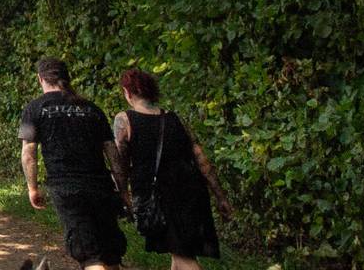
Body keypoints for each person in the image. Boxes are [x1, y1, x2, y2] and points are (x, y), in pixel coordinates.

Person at [114, 68, 229, 268]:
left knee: (185, 259)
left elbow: (120, 164)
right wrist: (220, 197)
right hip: (192, 193)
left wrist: (123, 194)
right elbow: (203, 161)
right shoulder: (175, 118)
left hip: (160, 197)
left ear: (127, 92)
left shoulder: (124, 120)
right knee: (178, 253)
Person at [20, 57, 124, 269]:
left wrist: (32, 188)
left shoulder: (35, 108)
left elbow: (29, 153)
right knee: (109, 253)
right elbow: (113, 153)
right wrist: (123, 189)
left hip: (67, 189)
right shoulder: (92, 109)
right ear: (67, 78)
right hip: (101, 187)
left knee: (89, 255)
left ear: (41, 79)